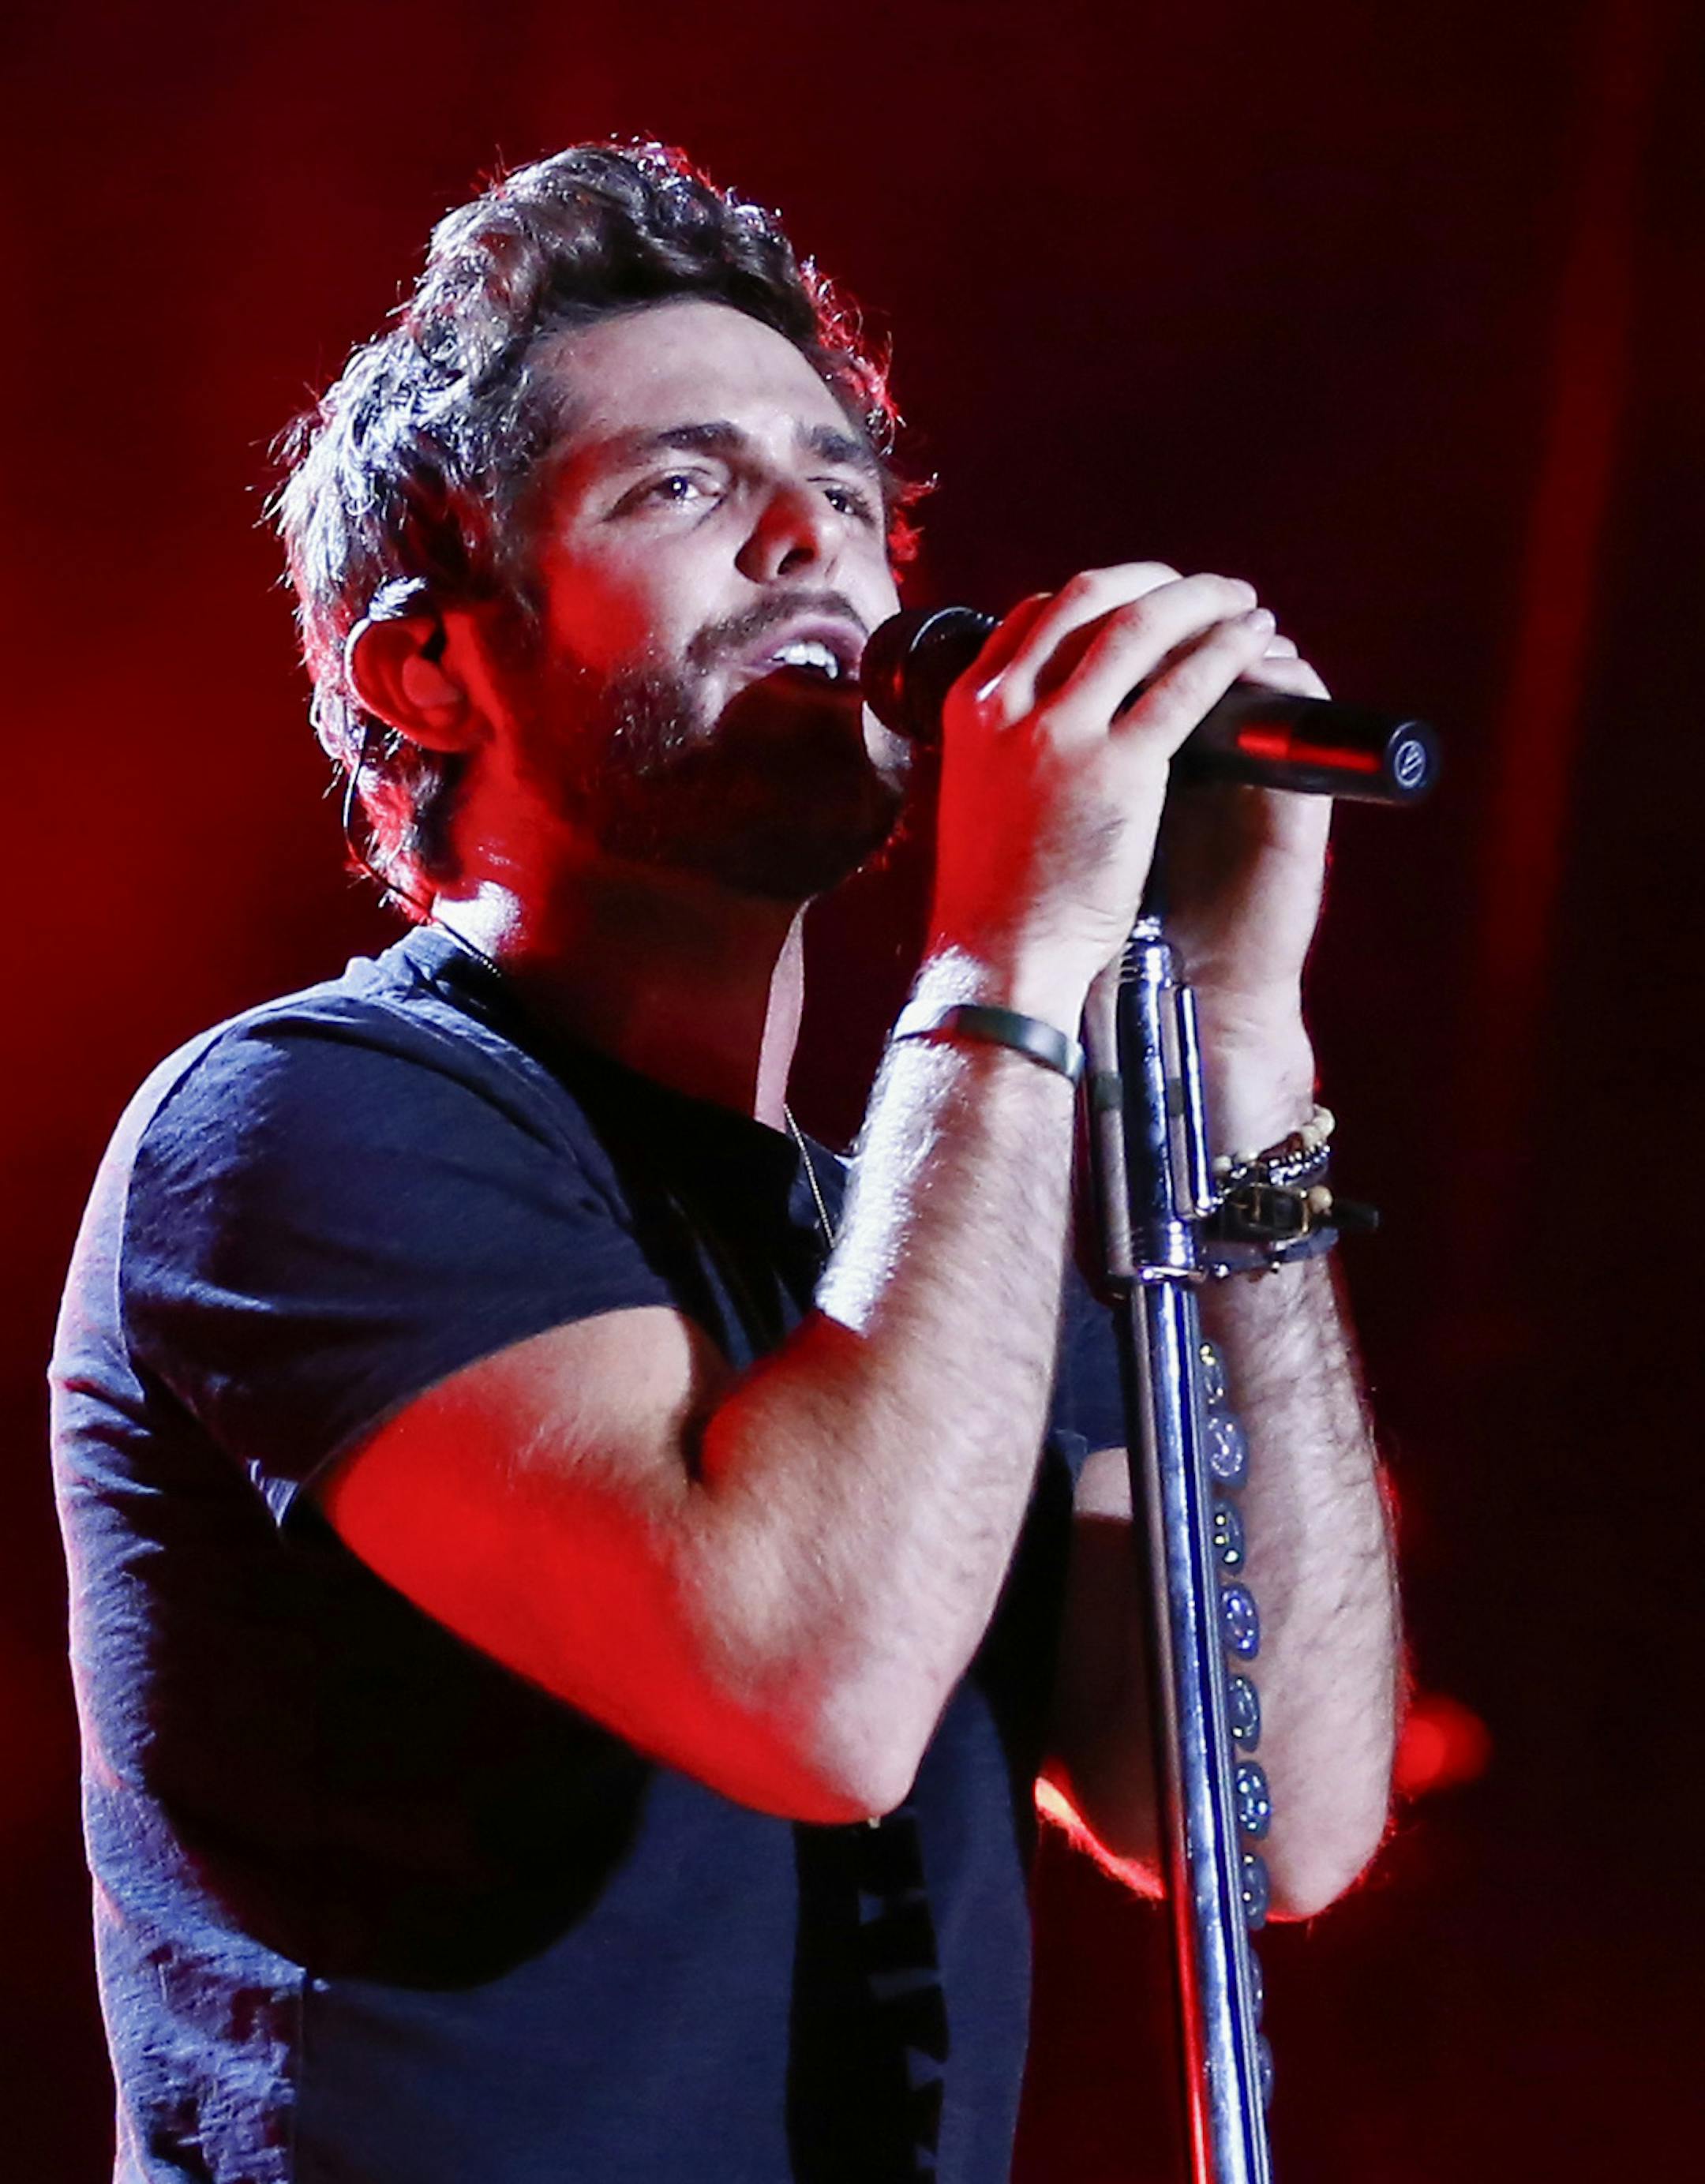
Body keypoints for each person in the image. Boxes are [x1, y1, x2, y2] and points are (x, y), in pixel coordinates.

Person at [50, 140, 1400, 2184]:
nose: (814, 542)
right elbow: (813, 1685)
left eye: (848, 491)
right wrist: (1014, 952)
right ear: (425, 663)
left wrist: (1243, 1058)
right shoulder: (303, 1127)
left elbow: (1278, 1809)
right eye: (683, 484)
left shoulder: (937, 1217)